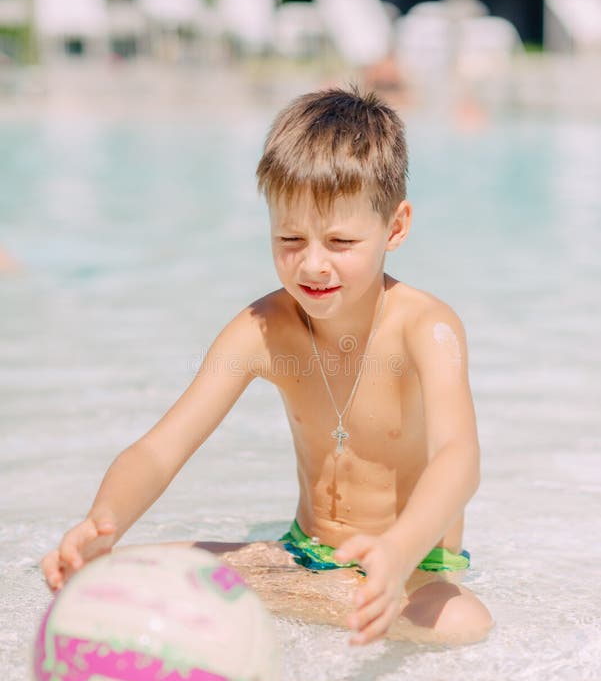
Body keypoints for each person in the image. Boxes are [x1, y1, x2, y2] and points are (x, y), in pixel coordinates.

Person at [41, 87, 493, 647]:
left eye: (341, 241)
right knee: (101, 572)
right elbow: (163, 446)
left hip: (411, 566)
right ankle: (306, 597)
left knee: (463, 621)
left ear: (395, 228)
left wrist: (398, 550)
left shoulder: (427, 329)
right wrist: (101, 524)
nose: (313, 263)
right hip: (299, 556)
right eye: (289, 238)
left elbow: (460, 458)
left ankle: (299, 599)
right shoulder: (262, 329)